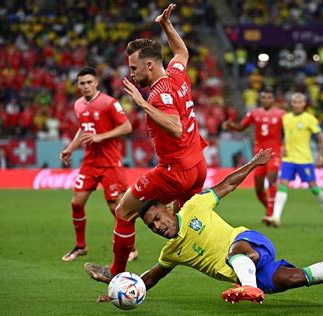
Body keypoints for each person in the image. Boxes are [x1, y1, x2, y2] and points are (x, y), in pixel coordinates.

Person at [95, 149, 323, 303]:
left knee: (236, 252)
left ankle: (248, 288)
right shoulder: (171, 251)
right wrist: (117, 289)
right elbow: (150, 278)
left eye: (158, 218)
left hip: (250, 243)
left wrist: (253, 164)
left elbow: (226, 185)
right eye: (151, 227)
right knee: (298, 278)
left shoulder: (194, 206)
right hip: (256, 272)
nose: (157, 226)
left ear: (168, 210)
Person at [84, 3, 207, 281]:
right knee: (193, 223)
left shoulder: (157, 93)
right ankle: (229, 259)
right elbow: (181, 52)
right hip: (198, 165)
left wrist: (142, 104)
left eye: (134, 67)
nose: (132, 73)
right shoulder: (177, 74)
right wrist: (165, 24)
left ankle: (116, 274)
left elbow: (175, 127)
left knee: (124, 210)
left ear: (149, 65)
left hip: (174, 172)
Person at [60, 66, 133, 262]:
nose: (85, 86)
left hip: (110, 162)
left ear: (96, 83)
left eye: (89, 82)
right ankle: (80, 246)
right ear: (78, 85)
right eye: (82, 83)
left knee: (114, 206)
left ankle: (129, 246)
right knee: (76, 203)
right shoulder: (78, 105)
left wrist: (101, 137)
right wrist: (70, 148)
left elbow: (127, 126)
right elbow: (83, 131)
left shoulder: (109, 103)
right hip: (90, 163)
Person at [265, 92, 323, 228]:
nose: (297, 104)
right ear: (291, 104)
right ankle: (276, 217)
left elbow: (321, 137)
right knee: (283, 184)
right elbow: (287, 135)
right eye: (294, 102)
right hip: (289, 159)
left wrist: (321, 155)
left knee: (314, 188)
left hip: (304, 160)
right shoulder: (286, 118)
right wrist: (283, 146)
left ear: (304, 104)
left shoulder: (309, 119)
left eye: (299, 102)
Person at [222, 89, 285, 223]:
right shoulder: (255, 113)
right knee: (258, 189)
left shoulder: (281, 114)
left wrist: (286, 145)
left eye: (269, 97)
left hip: (275, 152)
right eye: (264, 97)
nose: (266, 99)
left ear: (273, 99)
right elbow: (241, 127)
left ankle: (270, 214)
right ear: (260, 99)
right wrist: (231, 125)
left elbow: (289, 131)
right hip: (259, 154)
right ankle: (270, 210)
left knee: (272, 180)